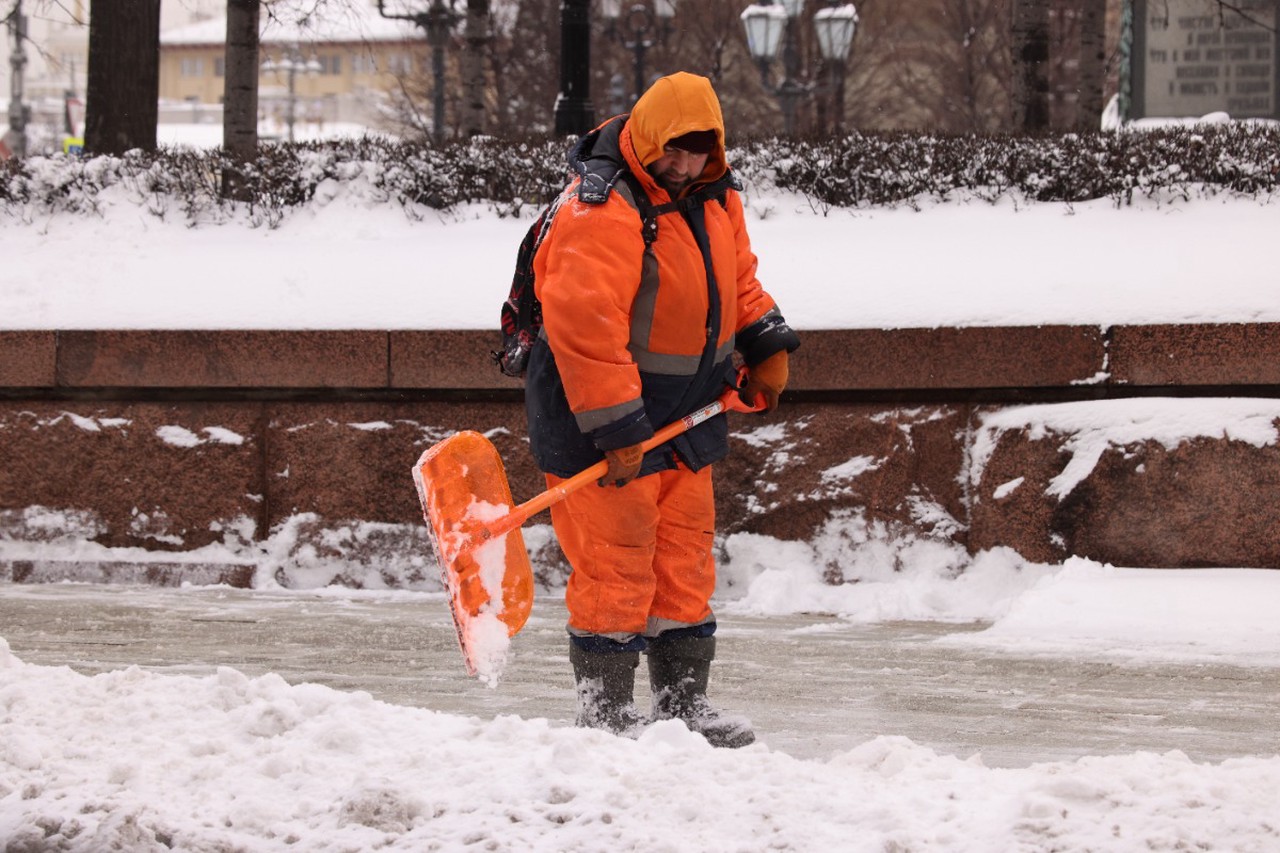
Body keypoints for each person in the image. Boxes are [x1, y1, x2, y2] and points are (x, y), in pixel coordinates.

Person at [524, 72, 800, 748]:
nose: (682, 165)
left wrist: (765, 340)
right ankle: (607, 715)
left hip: (687, 415)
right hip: (601, 423)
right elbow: (584, 324)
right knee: (616, 567)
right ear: (648, 138)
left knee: (684, 563)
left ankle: (683, 707)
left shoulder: (715, 197)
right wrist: (616, 428)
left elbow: (738, 280)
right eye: (673, 151)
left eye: (698, 152)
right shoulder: (601, 206)